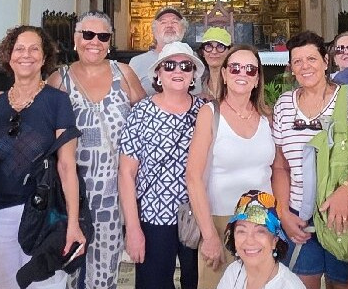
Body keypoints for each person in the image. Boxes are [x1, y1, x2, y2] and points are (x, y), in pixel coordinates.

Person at [271, 31, 348, 289]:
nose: (305, 66)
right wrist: (283, 211)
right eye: (297, 61)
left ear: (325, 61)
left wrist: (347, 191)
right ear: (291, 68)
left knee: (341, 283)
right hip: (299, 216)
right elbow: (280, 166)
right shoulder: (284, 105)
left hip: (343, 214)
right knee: (300, 283)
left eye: (311, 59)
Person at [0, 26, 85, 289]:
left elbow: (66, 165)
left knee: (46, 284)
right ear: (9, 56)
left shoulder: (57, 101)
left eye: (34, 48)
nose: (26, 55)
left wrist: (73, 223)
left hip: (44, 212)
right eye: (19, 49)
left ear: (44, 56)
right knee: (5, 284)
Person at [48, 12, 145, 289]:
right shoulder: (59, 79)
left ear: (110, 42)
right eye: (87, 35)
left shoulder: (123, 74)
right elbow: (39, 121)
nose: (95, 42)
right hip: (71, 190)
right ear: (75, 39)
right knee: (69, 270)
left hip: (113, 193)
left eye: (103, 36)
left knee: (104, 271)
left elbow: (146, 118)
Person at [119, 41, 208, 289]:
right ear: (158, 73)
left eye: (185, 66)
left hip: (197, 214)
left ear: (193, 75)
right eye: (169, 66)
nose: (177, 71)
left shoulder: (205, 111)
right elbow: (127, 173)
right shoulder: (141, 112)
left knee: (198, 282)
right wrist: (133, 228)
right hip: (153, 216)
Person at [187, 45, 275, 288]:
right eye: (235, 68)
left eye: (250, 70)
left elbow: (276, 171)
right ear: (224, 74)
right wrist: (209, 235)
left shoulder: (267, 116)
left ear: (257, 79)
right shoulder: (210, 113)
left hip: (261, 220)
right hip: (220, 220)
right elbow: (193, 176)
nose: (242, 74)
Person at [218, 190, 306, 289]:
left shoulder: (289, 286)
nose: (249, 240)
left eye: (260, 231)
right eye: (242, 231)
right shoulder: (234, 271)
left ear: (275, 240)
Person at [130, 6, 187, 97]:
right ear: (154, 30)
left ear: (184, 29)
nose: (169, 26)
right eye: (163, 22)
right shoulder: (137, 62)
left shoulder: (193, 60)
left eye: (174, 22)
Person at [197, 26, 232, 100]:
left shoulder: (234, 84)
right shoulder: (198, 85)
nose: (214, 51)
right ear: (203, 52)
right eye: (208, 46)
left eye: (220, 46)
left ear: (229, 51)